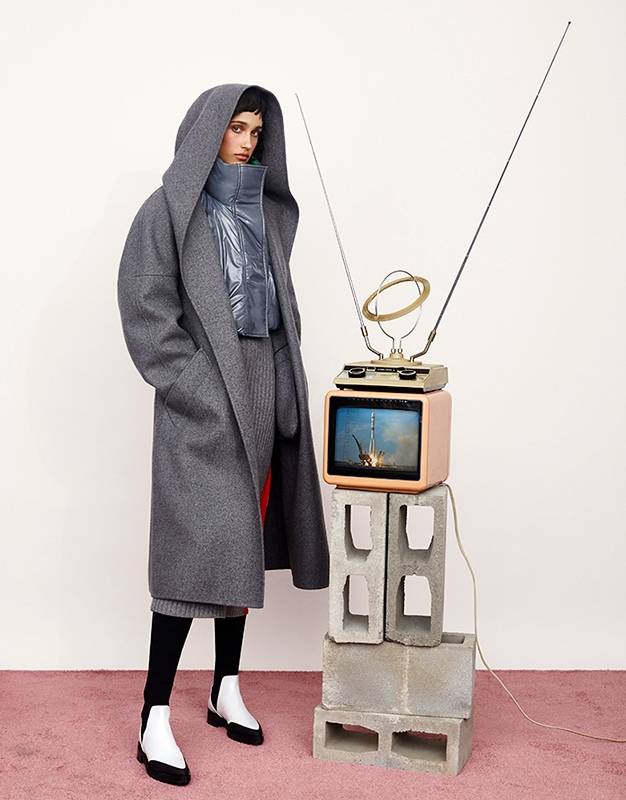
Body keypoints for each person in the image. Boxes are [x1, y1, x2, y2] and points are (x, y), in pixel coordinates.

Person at [117, 84, 330, 786]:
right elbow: (146, 310)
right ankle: (153, 714)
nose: (247, 142)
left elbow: (277, 311)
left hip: (262, 387)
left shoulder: (261, 212)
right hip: (204, 398)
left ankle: (225, 687)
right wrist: (197, 387)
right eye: (236, 128)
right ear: (207, 129)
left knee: (243, 541)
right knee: (190, 554)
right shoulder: (164, 212)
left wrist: (285, 388)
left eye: (256, 131)